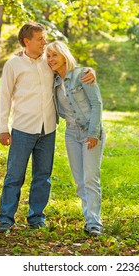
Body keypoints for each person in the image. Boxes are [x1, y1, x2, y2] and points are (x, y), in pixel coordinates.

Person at [0, 23, 95, 233]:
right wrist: (2, 128)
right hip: (22, 129)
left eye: (44, 39)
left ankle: (36, 217)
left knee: (43, 176)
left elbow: (71, 69)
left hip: (48, 129)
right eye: (40, 39)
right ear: (27, 41)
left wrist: (90, 71)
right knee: (14, 176)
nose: (44, 42)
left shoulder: (49, 62)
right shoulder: (13, 65)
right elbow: (4, 97)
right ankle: (5, 219)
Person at [46, 41, 106, 236]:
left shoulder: (82, 75)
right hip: (71, 133)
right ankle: (88, 220)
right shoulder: (53, 80)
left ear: (64, 55)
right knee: (80, 180)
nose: (51, 60)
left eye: (54, 55)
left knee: (90, 178)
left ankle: (95, 223)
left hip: (90, 132)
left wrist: (93, 133)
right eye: (48, 56)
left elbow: (97, 104)